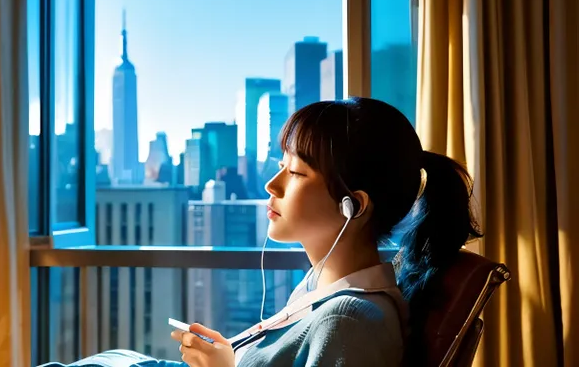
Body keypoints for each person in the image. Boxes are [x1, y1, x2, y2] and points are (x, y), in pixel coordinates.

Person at [52, 97, 481, 367]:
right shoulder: (322, 286)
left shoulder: (350, 320)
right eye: (281, 166)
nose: (271, 186)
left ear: (355, 205)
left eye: (295, 172)